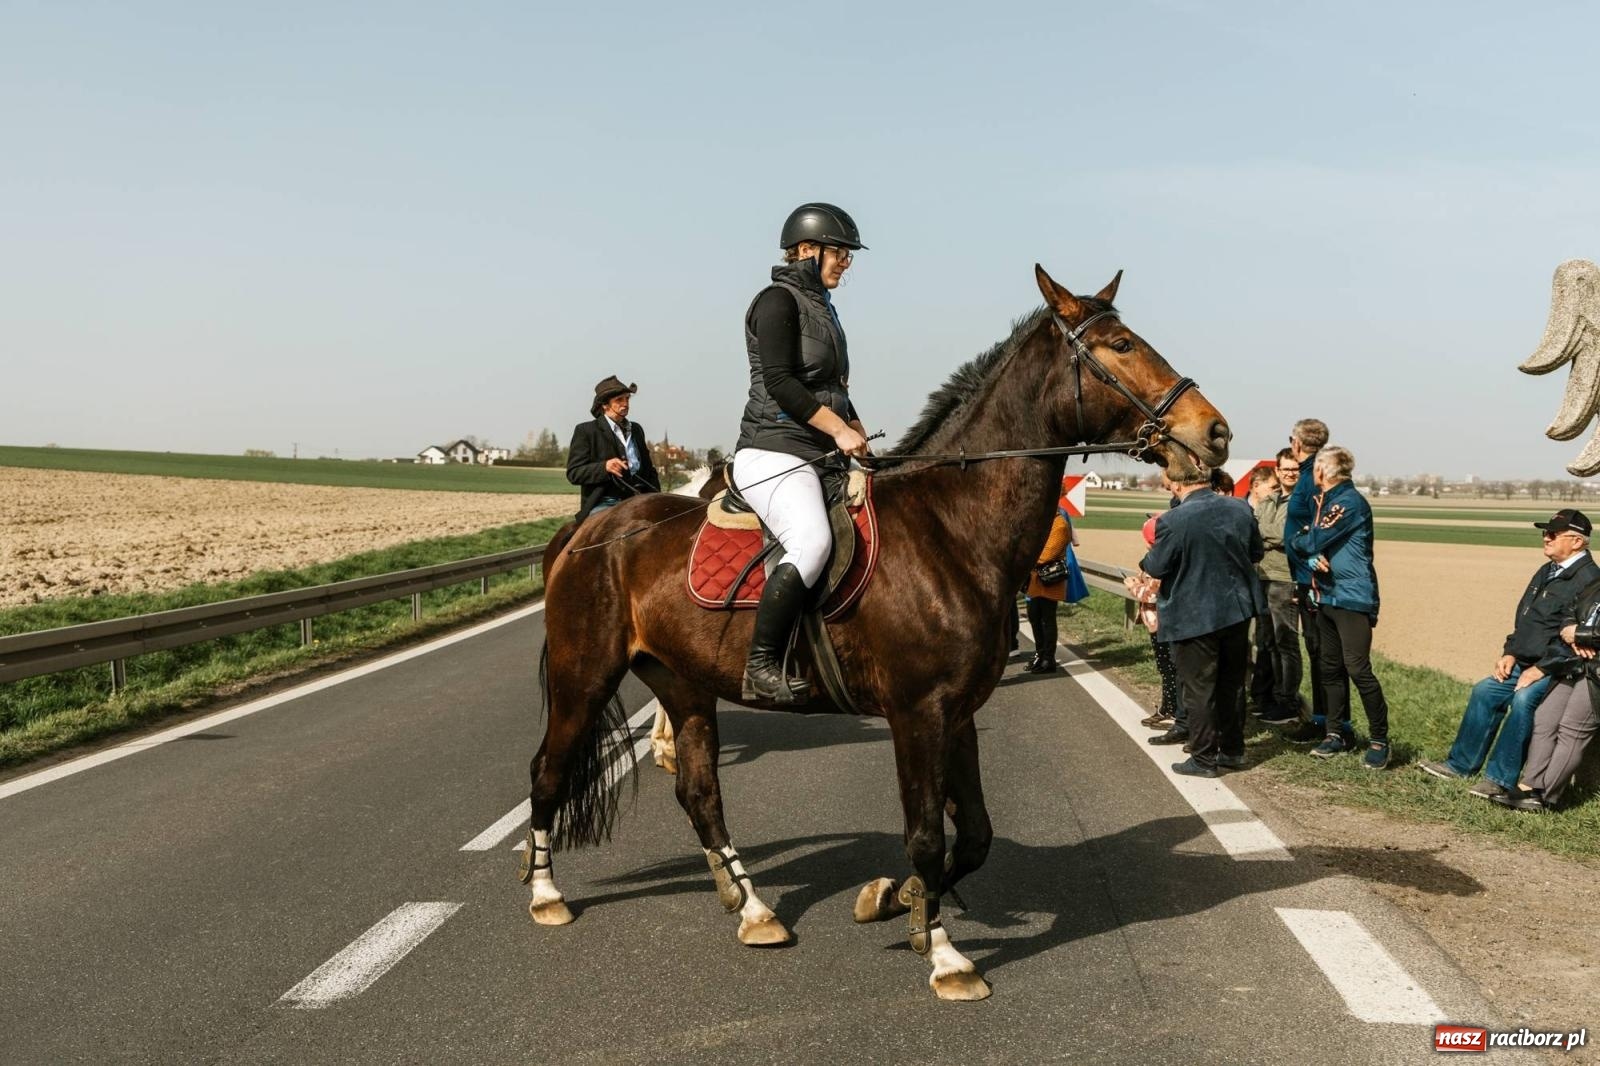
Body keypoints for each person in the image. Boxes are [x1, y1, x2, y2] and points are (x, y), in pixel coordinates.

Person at [730, 203, 870, 703]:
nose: (846, 263)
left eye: (850, 255)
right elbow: (781, 383)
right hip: (773, 451)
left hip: (817, 454)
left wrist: (855, 427)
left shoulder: (824, 308)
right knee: (811, 542)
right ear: (808, 250)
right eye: (840, 253)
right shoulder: (776, 301)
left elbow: (832, 386)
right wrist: (837, 429)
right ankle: (761, 665)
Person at [1419, 508, 1597, 799]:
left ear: (1577, 541)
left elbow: (1575, 639)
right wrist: (1510, 652)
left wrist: (1540, 669)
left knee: (1524, 700)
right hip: (1523, 660)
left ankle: (1500, 779)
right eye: (1545, 532)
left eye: (1553, 534)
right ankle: (1460, 765)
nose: (1546, 538)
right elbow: (1526, 618)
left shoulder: (1589, 580)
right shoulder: (1548, 570)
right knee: (1485, 691)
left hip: (1556, 670)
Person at [1139, 467, 1266, 777]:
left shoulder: (1173, 520)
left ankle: (1204, 758)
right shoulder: (1239, 508)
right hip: (1236, 610)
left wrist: (1148, 557)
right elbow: (1256, 552)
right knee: (1231, 684)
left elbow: (1156, 566)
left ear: (1177, 484)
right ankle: (1233, 750)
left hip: (1194, 614)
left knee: (1199, 689)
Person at [1289, 445, 1392, 768]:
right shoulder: (1325, 501)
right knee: (1329, 668)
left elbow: (1309, 539)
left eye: (1316, 467)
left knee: (1358, 668)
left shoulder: (1347, 502)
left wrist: (1306, 544)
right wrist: (1307, 548)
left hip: (1352, 597)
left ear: (1323, 471)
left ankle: (1380, 740)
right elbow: (1303, 540)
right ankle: (1336, 734)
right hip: (1327, 596)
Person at [1500, 570, 1600, 811]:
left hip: (1596, 671)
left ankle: (1546, 796)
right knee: (1545, 718)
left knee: (1572, 729)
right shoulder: (1596, 583)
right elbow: (1571, 610)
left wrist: (1581, 634)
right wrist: (1571, 631)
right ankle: (1528, 786)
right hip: (1573, 662)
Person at [1281, 418, 1331, 744]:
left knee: (1321, 652)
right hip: (1304, 578)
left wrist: (1311, 557)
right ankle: (1324, 719)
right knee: (1316, 650)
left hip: (1313, 580)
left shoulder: (1315, 476)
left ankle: (1326, 722)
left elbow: (1321, 523)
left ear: (1296, 443)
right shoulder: (1310, 473)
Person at [566, 375, 661, 523]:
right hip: (605, 503)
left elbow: (649, 470)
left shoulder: (636, 429)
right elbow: (574, 473)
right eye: (619, 400)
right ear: (605, 405)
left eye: (627, 399)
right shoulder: (586, 431)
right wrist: (604, 467)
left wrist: (658, 497)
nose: (625, 404)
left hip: (639, 500)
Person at [1252, 454, 1303, 725]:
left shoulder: (1301, 502)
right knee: (1267, 641)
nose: (1290, 473)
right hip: (1262, 575)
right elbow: (1253, 532)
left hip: (1285, 577)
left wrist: (1266, 533)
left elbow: (1288, 535)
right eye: (1286, 469)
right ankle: (1270, 698)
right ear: (1278, 470)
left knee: (1286, 641)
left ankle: (1288, 702)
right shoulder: (1268, 501)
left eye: (1295, 469)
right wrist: (1270, 535)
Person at [1024, 506, 1078, 673]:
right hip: (1036, 579)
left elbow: (1047, 555)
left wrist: (1026, 557)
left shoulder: (1059, 525)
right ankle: (1040, 655)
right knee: (1034, 616)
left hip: (1050, 579)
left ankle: (1048, 659)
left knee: (1047, 619)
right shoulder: (1043, 522)